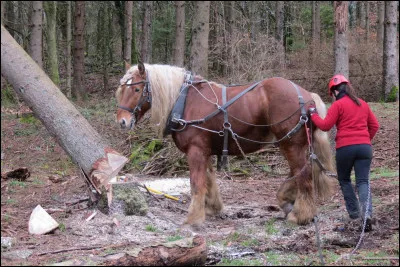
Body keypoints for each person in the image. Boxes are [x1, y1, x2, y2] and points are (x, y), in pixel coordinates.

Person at [308, 74, 380, 232]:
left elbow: (325, 125)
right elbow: (374, 125)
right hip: (364, 148)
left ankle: (355, 215)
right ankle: (367, 215)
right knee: (363, 182)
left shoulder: (338, 105)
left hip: (345, 148)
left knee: (345, 180)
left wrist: (313, 114)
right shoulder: (363, 103)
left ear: (334, 92)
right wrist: (365, 140)